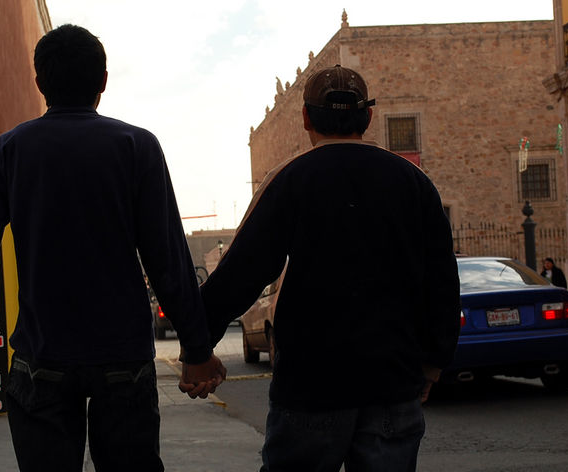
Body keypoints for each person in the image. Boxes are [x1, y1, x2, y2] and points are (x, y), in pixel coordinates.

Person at [0, 24, 225, 472]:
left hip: (41, 358)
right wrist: (196, 349)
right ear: (103, 81)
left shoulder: (10, 151)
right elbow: (167, 258)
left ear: (40, 82)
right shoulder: (137, 146)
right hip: (124, 358)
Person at [191, 65, 461, 471]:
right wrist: (434, 360)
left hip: (311, 385)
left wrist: (199, 347)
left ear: (305, 118)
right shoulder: (414, 182)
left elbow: (243, 272)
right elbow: (441, 279)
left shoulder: (290, 179)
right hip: (392, 380)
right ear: (368, 116)